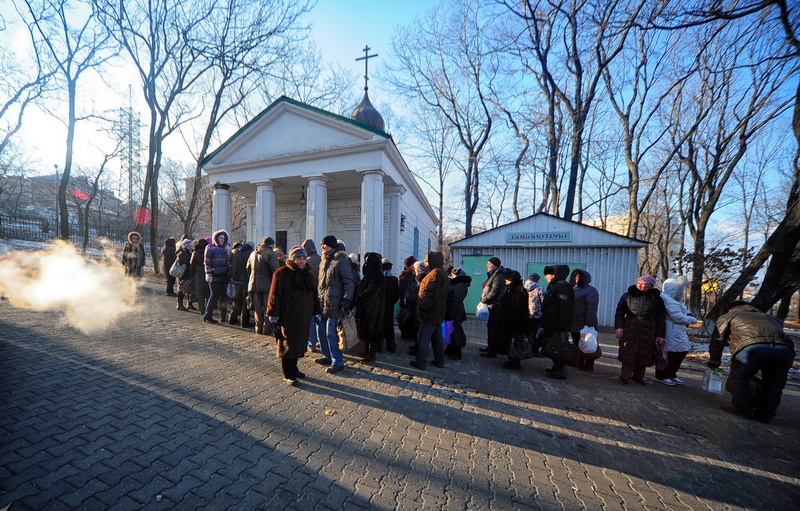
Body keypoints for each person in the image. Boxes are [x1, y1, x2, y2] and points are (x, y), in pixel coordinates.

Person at [709, 301, 795, 422]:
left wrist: (714, 361)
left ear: (729, 309)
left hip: (752, 348)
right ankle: (764, 415)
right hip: (784, 350)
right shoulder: (769, 317)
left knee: (738, 379)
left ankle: (742, 410)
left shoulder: (729, 316)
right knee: (774, 385)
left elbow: (717, 340)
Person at [267, 245, 321, 385]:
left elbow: (314, 294)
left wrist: (316, 311)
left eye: (303, 258)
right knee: (287, 344)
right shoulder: (282, 273)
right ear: (293, 259)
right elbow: (274, 296)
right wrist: (274, 315)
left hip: (304, 316)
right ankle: (288, 373)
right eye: (299, 258)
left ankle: (294, 368)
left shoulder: (307, 274)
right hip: (288, 316)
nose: (302, 261)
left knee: (299, 343)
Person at [615, 275, 666, 385]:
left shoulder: (656, 299)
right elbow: (619, 312)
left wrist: (660, 335)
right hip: (630, 327)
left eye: (646, 284)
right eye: (640, 283)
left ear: (650, 286)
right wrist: (619, 327)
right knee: (628, 351)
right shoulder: (628, 296)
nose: (642, 286)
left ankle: (638, 377)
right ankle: (625, 376)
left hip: (648, 330)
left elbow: (661, 318)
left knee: (644, 353)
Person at [316, 235, 356, 374]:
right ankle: (326, 355)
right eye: (321, 245)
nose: (322, 247)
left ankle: (337, 361)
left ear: (332, 246)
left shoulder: (341, 261)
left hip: (335, 304)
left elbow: (349, 282)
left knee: (331, 333)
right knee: (320, 331)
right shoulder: (324, 261)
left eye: (324, 245)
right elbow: (321, 284)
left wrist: (346, 300)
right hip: (322, 303)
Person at [410, 251, 450, 371]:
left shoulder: (435, 274)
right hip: (437, 313)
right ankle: (439, 360)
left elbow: (430, 294)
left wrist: (423, 309)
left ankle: (421, 362)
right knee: (437, 338)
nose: (425, 264)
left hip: (430, 313)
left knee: (423, 337)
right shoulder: (442, 272)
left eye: (427, 261)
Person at [655, 276, 695, 386]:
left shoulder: (675, 299)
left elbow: (683, 313)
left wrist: (688, 315)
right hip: (671, 330)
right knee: (668, 354)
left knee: (680, 352)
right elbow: (678, 317)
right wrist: (692, 319)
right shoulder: (666, 299)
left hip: (679, 330)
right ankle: (662, 375)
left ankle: (671, 374)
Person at [540, 265, 574, 380]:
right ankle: (557, 367)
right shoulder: (554, 286)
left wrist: (562, 324)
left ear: (554, 274)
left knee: (559, 347)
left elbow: (565, 306)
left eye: (547, 274)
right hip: (552, 323)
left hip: (558, 325)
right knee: (554, 346)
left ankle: (561, 371)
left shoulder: (562, 287)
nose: (545, 277)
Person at [355, 252, 385, 362]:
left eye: (368, 260)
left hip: (374, 308)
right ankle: (366, 351)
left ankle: (372, 354)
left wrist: (360, 299)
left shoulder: (377, 275)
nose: (366, 263)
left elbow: (371, 291)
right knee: (366, 330)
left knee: (372, 331)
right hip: (366, 307)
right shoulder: (370, 273)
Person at [247, 237, 280, 334]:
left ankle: (258, 327)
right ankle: (266, 328)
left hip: (254, 284)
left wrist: (252, 278)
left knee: (257, 308)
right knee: (267, 307)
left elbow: (247, 268)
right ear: (271, 244)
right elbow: (275, 270)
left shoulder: (253, 253)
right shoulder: (271, 253)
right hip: (267, 284)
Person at [570, 269, 600, 371]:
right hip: (575, 322)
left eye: (578, 277)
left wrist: (589, 323)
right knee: (577, 342)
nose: (576, 279)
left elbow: (592, 308)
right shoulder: (575, 289)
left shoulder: (591, 290)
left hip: (585, 322)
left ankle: (589, 365)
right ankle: (579, 362)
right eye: (575, 276)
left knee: (589, 342)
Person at [479, 257, 506, 358]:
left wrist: (484, 300)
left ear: (494, 265)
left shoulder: (498, 276)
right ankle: (490, 346)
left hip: (495, 305)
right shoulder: (494, 275)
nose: (487, 266)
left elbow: (495, 291)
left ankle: (492, 350)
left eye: (488, 264)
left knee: (494, 328)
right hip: (492, 304)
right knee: (490, 327)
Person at [203, 230, 231, 324]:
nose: (222, 240)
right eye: (220, 238)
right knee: (214, 295)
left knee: (223, 296)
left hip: (223, 275)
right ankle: (207, 315)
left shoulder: (224, 249)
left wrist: (229, 272)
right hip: (214, 276)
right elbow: (207, 262)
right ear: (216, 238)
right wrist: (209, 274)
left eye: (223, 238)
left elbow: (227, 262)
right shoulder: (210, 248)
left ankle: (223, 316)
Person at [444, 268, 471, 360]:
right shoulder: (456, 284)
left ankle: (456, 352)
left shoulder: (460, 285)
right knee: (450, 330)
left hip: (455, 311)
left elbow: (457, 300)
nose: (452, 276)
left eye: (454, 275)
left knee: (455, 331)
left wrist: (451, 312)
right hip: (451, 310)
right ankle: (450, 349)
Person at [228, 240, 255, 328]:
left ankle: (232, 318)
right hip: (246, 280)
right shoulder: (251, 253)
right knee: (246, 301)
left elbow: (230, 264)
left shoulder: (234, 251)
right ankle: (244, 322)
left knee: (236, 300)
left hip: (236, 279)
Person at [303, 239, 322, 352]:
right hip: (320, 293)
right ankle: (320, 340)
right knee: (319, 319)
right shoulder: (321, 259)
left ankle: (311, 343)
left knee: (310, 319)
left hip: (309, 293)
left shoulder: (306, 262)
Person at [406, 261, 427, 356]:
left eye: (418, 269)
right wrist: (406, 296)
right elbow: (408, 289)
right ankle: (416, 346)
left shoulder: (423, 279)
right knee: (414, 329)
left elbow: (420, 295)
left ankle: (418, 348)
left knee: (418, 329)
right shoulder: (414, 278)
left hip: (417, 307)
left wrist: (409, 299)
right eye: (415, 270)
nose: (417, 271)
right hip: (412, 306)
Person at [382, 258, 400, 354]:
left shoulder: (380, 279)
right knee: (389, 327)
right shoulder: (394, 279)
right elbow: (397, 295)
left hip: (380, 306)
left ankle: (378, 346)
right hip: (389, 307)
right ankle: (391, 346)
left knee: (380, 326)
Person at [523, 272, 544, 356]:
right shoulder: (539, 288)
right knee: (535, 334)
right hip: (536, 314)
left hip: (525, 314)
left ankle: (525, 348)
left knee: (526, 332)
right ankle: (534, 351)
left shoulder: (523, 287)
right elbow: (544, 301)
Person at [397, 256, 417, 340]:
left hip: (409, 300)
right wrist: (405, 299)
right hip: (406, 301)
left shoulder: (413, 274)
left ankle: (408, 334)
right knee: (406, 318)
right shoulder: (405, 275)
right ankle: (406, 334)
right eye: (413, 264)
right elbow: (404, 289)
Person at [190, 238, 209, 313]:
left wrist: (191, 276)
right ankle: (208, 308)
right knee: (207, 292)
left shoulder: (195, 253)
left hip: (197, 273)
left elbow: (192, 265)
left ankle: (201, 308)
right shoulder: (208, 253)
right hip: (207, 272)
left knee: (199, 292)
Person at [175, 239, 194, 311]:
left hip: (189, 274)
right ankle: (179, 304)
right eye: (189, 246)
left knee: (189, 290)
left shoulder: (189, 252)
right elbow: (183, 261)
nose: (191, 247)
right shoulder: (182, 253)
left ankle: (189, 303)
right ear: (185, 246)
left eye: (192, 246)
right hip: (184, 274)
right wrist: (191, 258)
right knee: (182, 290)